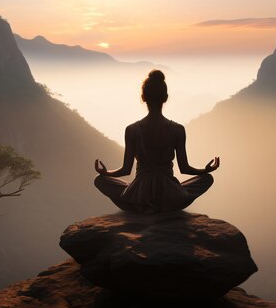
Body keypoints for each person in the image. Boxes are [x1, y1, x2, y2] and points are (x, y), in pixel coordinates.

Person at [94, 69, 220, 213]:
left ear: (143, 97)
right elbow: (184, 168)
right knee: (207, 179)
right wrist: (205, 170)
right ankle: (164, 206)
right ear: (165, 98)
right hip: (170, 195)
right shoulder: (178, 129)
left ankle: (143, 206)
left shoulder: (132, 130)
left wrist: (105, 173)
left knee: (100, 180)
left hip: (139, 194)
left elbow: (125, 169)